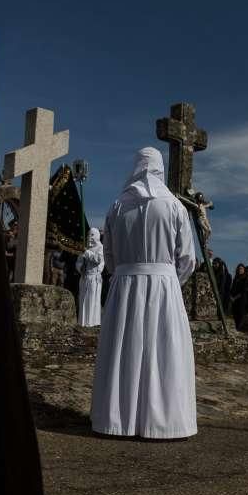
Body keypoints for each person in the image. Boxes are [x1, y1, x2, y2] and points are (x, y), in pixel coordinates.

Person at [91, 147, 197, 439]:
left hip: (125, 285)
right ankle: (164, 421)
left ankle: (118, 418)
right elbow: (187, 259)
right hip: (164, 286)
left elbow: (108, 256)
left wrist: (124, 272)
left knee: (124, 347)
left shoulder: (117, 206)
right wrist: (169, 281)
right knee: (163, 348)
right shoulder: (175, 207)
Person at [75, 228, 105, 327]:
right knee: (83, 299)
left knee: (92, 300)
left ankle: (92, 322)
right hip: (84, 277)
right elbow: (78, 261)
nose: (90, 237)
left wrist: (87, 252)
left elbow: (98, 259)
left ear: (96, 236)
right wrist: (80, 268)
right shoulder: (85, 248)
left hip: (94, 278)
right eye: (89, 235)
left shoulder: (100, 247)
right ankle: (83, 322)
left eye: (92, 235)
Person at [230, 263, 248, 328]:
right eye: (238, 269)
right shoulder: (235, 278)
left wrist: (234, 298)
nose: (239, 270)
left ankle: (240, 329)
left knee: (241, 315)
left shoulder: (245, 279)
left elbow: (243, 291)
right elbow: (232, 289)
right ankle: (237, 328)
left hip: (241, 300)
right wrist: (231, 297)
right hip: (234, 301)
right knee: (235, 316)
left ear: (244, 270)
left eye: (241, 269)